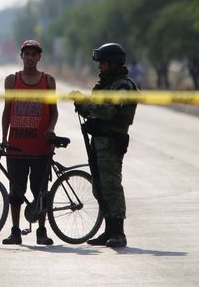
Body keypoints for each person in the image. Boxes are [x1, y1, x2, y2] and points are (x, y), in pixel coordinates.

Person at [72, 43, 138, 248]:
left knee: (111, 186)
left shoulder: (123, 86)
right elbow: (94, 111)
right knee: (99, 187)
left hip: (111, 142)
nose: (99, 66)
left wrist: (85, 103)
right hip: (99, 141)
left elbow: (108, 112)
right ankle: (108, 230)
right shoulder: (105, 85)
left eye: (102, 62)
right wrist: (81, 105)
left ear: (113, 63)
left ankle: (118, 232)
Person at [1, 39, 58, 246]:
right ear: (21, 56)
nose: (31, 58)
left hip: (41, 148)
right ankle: (15, 231)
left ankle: (42, 231)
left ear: (40, 57)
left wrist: (51, 129)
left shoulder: (48, 81)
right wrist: (3, 138)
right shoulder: (11, 81)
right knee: (15, 193)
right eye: (27, 54)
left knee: (40, 192)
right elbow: (7, 111)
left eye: (35, 54)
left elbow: (54, 112)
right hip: (16, 147)